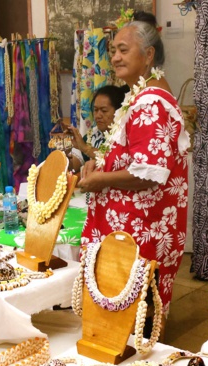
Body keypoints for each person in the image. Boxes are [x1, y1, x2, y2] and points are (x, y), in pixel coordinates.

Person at [78, 11, 190, 316]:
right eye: (113, 50)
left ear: (149, 54)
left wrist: (98, 180)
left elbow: (149, 173)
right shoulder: (141, 97)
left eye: (123, 50)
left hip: (138, 232)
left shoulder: (150, 103)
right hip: (135, 228)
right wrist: (97, 165)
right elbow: (130, 156)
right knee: (134, 311)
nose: (114, 57)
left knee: (135, 312)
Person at [64, 84, 128, 174]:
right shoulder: (92, 136)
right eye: (96, 110)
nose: (98, 115)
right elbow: (72, 167)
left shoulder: (125, 137)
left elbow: (114, 161)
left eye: (104, 110)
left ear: (118, 111)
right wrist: (66, 150)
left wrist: (86, 149)